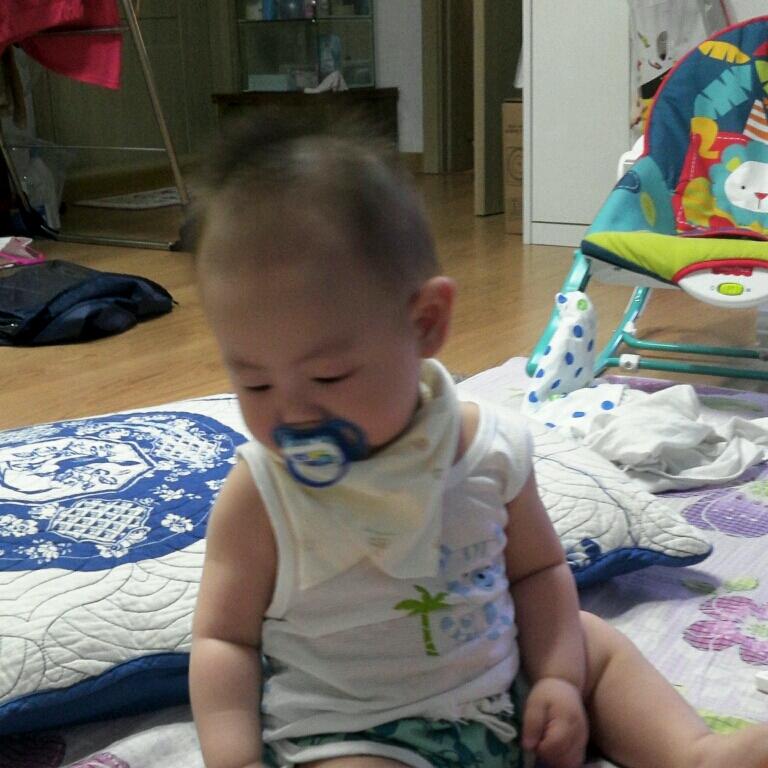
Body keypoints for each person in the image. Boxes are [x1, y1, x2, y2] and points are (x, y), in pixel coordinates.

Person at [189, 118, 768, 768]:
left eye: (328, 376)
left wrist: (556, 678)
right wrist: (234, 758)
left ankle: (694, 753)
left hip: (506, 694)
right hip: (358, 735)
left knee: (592, 642)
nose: (292, 413)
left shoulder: (488, 450)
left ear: (425, 323)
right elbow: (224, 641)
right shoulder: (262, 493)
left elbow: (538, 571)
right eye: (255, 382)